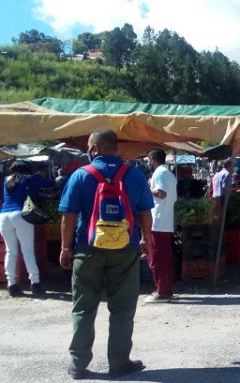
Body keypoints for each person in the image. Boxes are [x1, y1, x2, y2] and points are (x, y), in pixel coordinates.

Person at [58, 130, 154, 379]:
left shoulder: (81, 175)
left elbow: (68, 216)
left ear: (96, 148)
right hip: (125, 249)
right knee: (122, 308)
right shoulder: (134, 175)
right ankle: (119, 363)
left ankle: (78, 365)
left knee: (83, 308)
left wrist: (66, 248)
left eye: (89, 146)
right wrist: (146, 241)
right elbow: (145, 213)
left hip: (87, 249)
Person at [1, 161, 49, 298]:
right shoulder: (28, 178)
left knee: (10, 252)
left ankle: (12, 284)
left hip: (3, 216)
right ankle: (35, 283)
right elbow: (47, 184)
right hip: (20, 215)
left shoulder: (6, 180)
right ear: (26, 170)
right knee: (28, 250)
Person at [144, 149, 177, 303]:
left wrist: (146, 189)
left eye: (148, 160)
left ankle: (162, 292)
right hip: (164, 221)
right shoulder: (168, 173)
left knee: (157, 258)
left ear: (152, 159)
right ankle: (165, 289)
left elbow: (161, 193)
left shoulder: (160, 173)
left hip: (158, 221)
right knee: (164, 257)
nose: (148, 163)